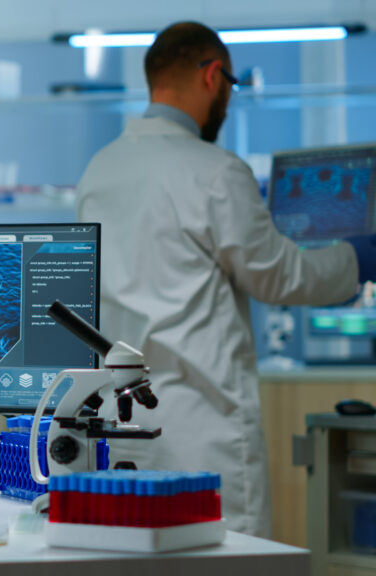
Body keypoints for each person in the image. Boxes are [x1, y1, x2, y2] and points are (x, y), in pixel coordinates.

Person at [75, 21, 376, 537]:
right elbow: (282, 276)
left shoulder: (99, 170)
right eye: (231, 87)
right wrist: (357, 257)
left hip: (123, 427)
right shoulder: (213, 171)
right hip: (202, 430)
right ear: (213, 75)